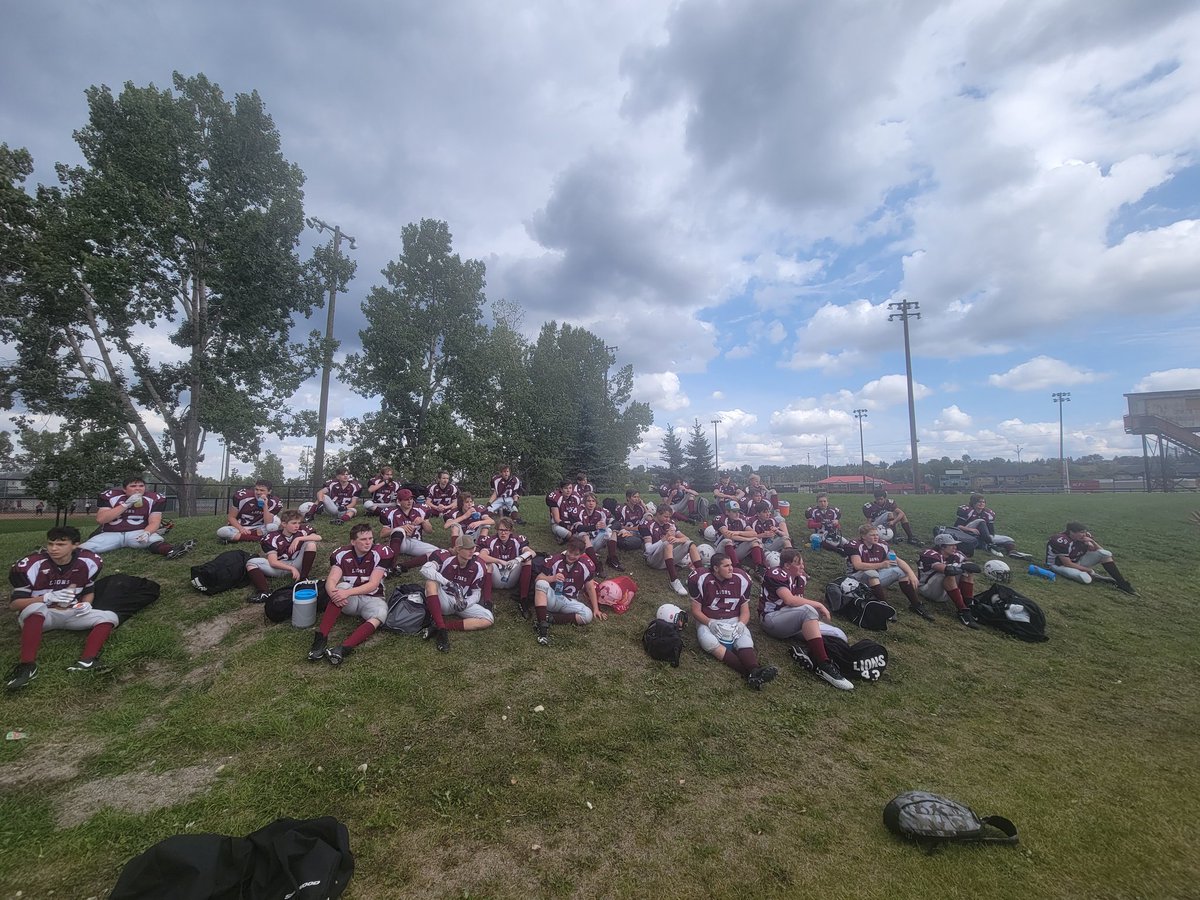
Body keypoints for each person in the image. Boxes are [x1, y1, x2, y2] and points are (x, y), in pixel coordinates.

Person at [5, 526, 111, 689]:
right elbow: (14, 605)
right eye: (50, 544)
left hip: (70, 613)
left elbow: (89, 591)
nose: (53, 549)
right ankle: (27, 666)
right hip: (42, 617)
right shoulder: (31, 564)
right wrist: (45, 598)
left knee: (108, 617)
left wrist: (86, 604)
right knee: (36, 608)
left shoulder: (88, 562)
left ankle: (88, 660)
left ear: (75, 545)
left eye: (61, 544)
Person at [758, 548, 854, 690]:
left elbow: (797, 602)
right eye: (799, 564)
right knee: (809, 610)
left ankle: (807, 653)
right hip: (772, 619)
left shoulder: (799, 579)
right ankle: (823, 665)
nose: (803, 567)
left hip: (788, 618)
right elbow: (790, 600)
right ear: (786, 566)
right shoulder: (776, 573)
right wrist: (819, 605)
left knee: (839, 635)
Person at [691, 552, 778, 690]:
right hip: (709, 619)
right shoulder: (701, 579)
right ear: (715, 568)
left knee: (745, 640)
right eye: (726, 566)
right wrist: (709, 623)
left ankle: (753, 670)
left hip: (733, 619)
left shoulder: (741, 579)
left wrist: (741, 623)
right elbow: (696, 611)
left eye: (731, 565)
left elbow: (745, 611)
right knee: (708, 641)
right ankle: (751, 673)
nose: (731, 568)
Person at [306, 523, 388, 665]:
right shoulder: (341, 554)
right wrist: (334, 594)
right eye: (363, 539)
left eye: (370, 538)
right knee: (339, 587)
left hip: (373, 598)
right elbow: (331, 579)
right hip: (351, 601)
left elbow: (373, 584)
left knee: (381, 613)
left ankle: (343, 648)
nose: (368, 542)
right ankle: (321, 638)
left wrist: (346, 593)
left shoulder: (379, 553)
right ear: (353, 542)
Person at [81, 476, 194, 560]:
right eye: (133, 486)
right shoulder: (112, 496)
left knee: (155, 540)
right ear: (124, 489)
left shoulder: (153, 499)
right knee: (88, 547)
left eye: (141, 486)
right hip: (111, 533)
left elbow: (154, 521)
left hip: (137, 532)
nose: (138, 489)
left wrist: (147, 533)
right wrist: (125, 505)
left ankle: (171, 550)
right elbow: (101, 519)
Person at [419, 534, 494, 653]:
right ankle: (442, 632)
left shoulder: (478, 565)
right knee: (431, 583)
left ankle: (441, 626)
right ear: (458, 549)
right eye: (468, 548)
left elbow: (476, 592)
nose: (471, 551)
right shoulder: (445, 557)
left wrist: (466, 603)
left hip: (461, 601)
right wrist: (449, 583)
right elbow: (425, 569)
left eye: (473, 548)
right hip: (444, 599)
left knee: (488, 619)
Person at [845, 523, 932, 621]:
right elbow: (857, 565)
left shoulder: (882, 545)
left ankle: (916, 605)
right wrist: (881, 565)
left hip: (875, 578)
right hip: (855, 579)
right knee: (872, 573)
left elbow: (898, 561)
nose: (876, 537)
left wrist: (910, 573)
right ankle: (885, 606)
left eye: (877, 534)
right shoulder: (856, 545)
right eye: (872, 535)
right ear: (863, 536)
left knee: (901, 571)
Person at [530, 536, 607, 646]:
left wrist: (596, 609)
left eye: (576, 554)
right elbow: (538, 579)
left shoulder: (586, 565)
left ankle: (549, 618)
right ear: (567, 549)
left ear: (581, 554)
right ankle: (542, 627)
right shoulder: (555, 560)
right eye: (570, 552)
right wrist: (552, 578)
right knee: (541, 584)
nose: (571, 556)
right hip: (552, 598)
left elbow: (590, 587)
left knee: (587, 615)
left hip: (569, 601)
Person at [245, 510, 322, 602]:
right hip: (281, 567)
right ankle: (264, 592)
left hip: (298, 563)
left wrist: (298, 538)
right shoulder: (272, 537)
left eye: (298, 523)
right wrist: (291, 569)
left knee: (311, 544)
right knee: (251, 562)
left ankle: (303, 578)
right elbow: (273, 562)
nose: (297, 525)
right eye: (293, 523)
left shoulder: (302, 531)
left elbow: (318, 537)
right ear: (284, 524)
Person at [1046, 522, 1136, 594]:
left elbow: (1101, 552)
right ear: (1071, 532)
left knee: (1106, 554)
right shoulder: (1061, 540)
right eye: (1081, 532)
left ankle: (1121, 583)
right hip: (1059, 565)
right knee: (1086, 579)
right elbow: (1067, 563)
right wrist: (1088, 570)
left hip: (1076, 561)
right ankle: (1096, 577)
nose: (1084, 534)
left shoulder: (1084, 537)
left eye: (1084, 532)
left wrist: (1092, 541)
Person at [916, 534, 980, 628]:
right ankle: (962, 610)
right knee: (950, 574)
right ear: (942, 546)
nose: (955, 547)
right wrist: (961, 566)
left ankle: (969, 605)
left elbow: (975, 568)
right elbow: (945, 569)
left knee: (968, 572)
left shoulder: (956, 555)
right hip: (927, 589)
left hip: (944, 589)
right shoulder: (930, 554)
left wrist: (966, 566)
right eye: (951, 545)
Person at [477, 517, 536, 614]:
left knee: (527, 560)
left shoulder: (518, 539)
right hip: (496, 577)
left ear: (511, 530)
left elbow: (532, 553)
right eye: (501, 530)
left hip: (511, 576)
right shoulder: (490, 540)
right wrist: (500, 561)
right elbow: (481, 556)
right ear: (497, 529)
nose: (503, 533)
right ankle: (487, 601)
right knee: (488, 564)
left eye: (506, 530)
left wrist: (517, 560)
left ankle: (523, 599)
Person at [640, 505, 694, 596]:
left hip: (666, 559)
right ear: (657, 514)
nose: (668, 519)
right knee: (668, 543)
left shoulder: (670, 524)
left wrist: (678, 540)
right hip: (653, 560)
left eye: (669, 517)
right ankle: (674, 580)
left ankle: (701, 576)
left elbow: (687, 538)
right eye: (665, 516)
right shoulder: (646, 525)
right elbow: (648, 551)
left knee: (690, 544)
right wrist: (664, 539)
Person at [564, 492, 623, 575]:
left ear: (596, 503)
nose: (591, 503)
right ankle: (596, 564)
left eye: (593, 501)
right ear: (584, 503)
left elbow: (617, 523)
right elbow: (579, 528)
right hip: (580, 544)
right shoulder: (578, 511)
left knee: (613, 531)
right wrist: (594, 527)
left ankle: (611, 559)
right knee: (584, 534)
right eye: (588, 501)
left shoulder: (602, 512)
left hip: (594, 541)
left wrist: (609, 528)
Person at [380, 488, 439, 570]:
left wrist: (423, 522)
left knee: (437, 552)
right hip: (399, 543)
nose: (409, 501)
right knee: (399, 531)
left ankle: (401, 567)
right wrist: (400, 528)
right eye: (406, 499)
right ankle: (390, 565)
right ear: (399, 501)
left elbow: (429, 531)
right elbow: (382, 534)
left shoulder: (421, 510)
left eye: (411, 499)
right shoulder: (391, 512)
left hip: (415, 542)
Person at [952, 494, 1022, 558]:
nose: (981, 504)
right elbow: (957, 526)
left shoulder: (988, 513)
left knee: (1009, 539)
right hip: (967, 534)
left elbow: (991, 532)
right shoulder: (967, 510)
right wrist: (970, 529)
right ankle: (991, 545)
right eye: (979, 502)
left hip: (983, 536)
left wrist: (990, 537)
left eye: (983, 502)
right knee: (981, 521)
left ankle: (1011, 552)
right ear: (973, 502)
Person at [216, 479, 281, 543]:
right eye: (256, 489)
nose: (258, 492)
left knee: (276, 521)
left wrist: (265, 506)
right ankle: (259, 539)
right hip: (240, 526)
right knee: (222, 532)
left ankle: (239, 537)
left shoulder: (274, 502)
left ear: (269, 492)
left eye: (262, 490)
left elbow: (268, 523)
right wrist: (241, 529)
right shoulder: (243, 497)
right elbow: (231, 517)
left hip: (259, 527)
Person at [715, 501, 766, 571]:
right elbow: (728, 535)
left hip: (735, 550)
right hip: (721, 551)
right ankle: (736, 567)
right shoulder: (721, 518)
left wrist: (738, 532)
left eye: (738, 511)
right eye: (734, 511)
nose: (737, 514)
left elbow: (754, 533)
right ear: (727, 512)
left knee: (755, 541)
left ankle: (760, 567)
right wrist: (748, 539)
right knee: (728, 541)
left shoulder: (741, 519)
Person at [546, 479, 578, 543]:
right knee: (569, 534)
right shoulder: (555, 498)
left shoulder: (576, 497)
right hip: (559, 524)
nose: (568, 490)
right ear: (561, 489)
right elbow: (557, 519)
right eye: (566, 488)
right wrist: (568, 526)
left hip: (572, 523)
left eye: (570, 488)